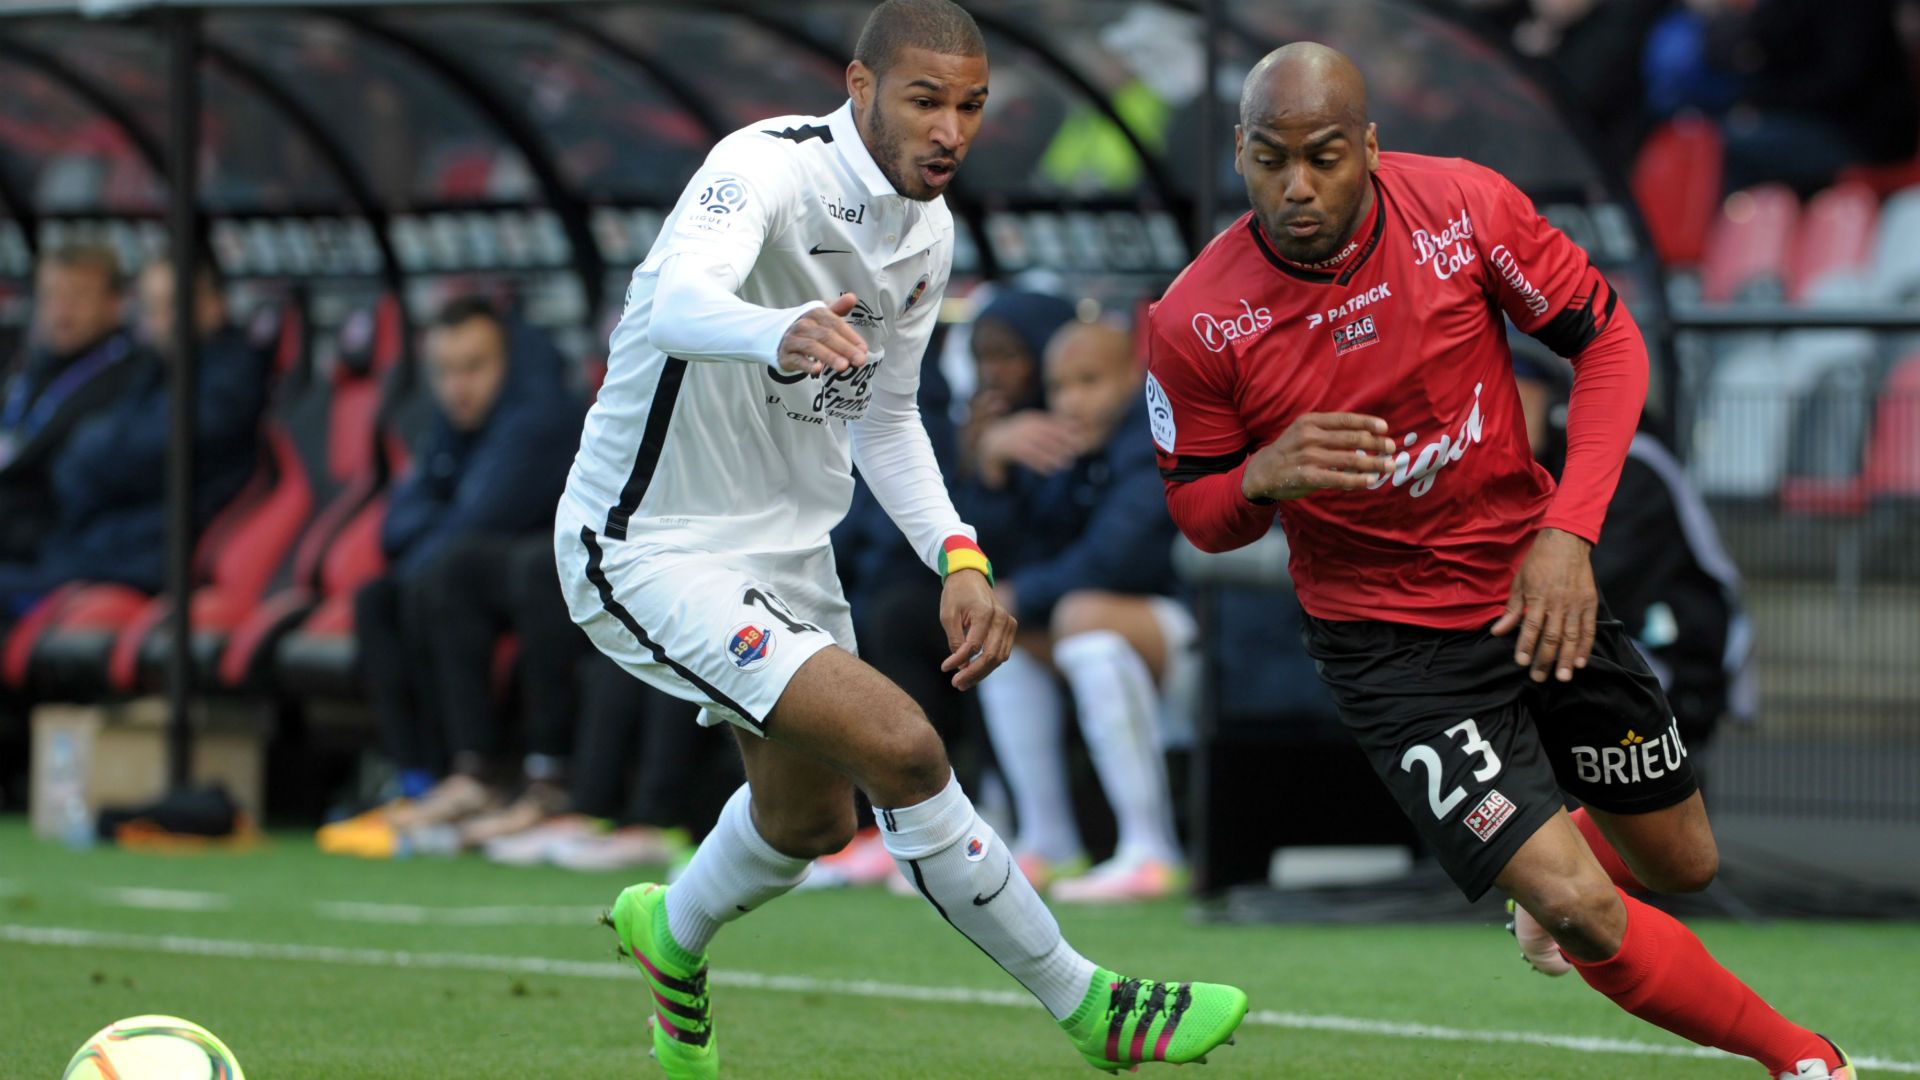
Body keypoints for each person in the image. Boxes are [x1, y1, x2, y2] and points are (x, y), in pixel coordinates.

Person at [553, 3, 1248, 1074]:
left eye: (971, 105)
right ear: (862, 88)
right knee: (904, 748)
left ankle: (669, 934)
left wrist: (958, 555)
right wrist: (773, 329)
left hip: (789, 555)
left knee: (808, 821)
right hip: (652, 541)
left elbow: (885, 415)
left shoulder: (929, 232)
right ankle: (1093, 1005)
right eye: (926, 99)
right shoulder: (764, 166)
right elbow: (680, 306)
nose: (951, 130)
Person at [1147, 43, 1851, 1080]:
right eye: (1270, 159)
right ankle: (1804, 1060)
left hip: (1536, 590)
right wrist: (1260, 477)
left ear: (1372, 148)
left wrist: (1567, 534)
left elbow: (1609, 345)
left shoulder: (1467, 211)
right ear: (1241, 158)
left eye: (1326, 156)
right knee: (1585, 904)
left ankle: (1542, 888)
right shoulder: (1196, 320)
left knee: (1684, 861)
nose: (1297, 185)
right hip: (1392, 651)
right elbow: (1201, 518)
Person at [328, 297, 582, 856]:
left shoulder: (541, 416)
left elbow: (480, 517)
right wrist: (433, 526)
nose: (457, 387)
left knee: (449, 572)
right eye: (444, 372)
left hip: (550, 578)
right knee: (379, 597)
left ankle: (494, 775)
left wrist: (432, 527)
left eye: (473, 367)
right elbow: (395, 523)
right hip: (481, 570)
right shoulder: (453, 422)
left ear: (507, 359)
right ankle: (419, 780)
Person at [965, 320, 1196, 901]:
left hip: (1194, 632)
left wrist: (1018, 595)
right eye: (1060, 385)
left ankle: (1152, 851)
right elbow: (1013, 551)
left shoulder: (1153, 437)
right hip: (1106, 627)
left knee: (1082, 622)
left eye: (1089, 381)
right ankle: (1049, 842)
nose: (1071, 400)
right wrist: (993, 464)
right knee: (1005, 640)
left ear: (1130, 377)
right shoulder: (1066, 447)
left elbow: (1116, 560)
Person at [1513, 347, 1753, 755]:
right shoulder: (1540, 469)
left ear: (1555, 403)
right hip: (1604, 671)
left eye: (1514, 392)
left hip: (1669, 672)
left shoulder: (1630, 465)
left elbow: (1589, 583)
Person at [0, 259, 267, 611]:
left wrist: (91, 455)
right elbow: (89, 457)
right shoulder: (158, 367)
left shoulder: (228, 378)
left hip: (152, 557)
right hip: (101, 545)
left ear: (214, 303)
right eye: (153, 308)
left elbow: (131, 453)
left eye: (174, 304)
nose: (164, 320)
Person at [0, 244, 139, 570]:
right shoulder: (29, 365)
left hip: (54, 545)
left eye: (78, 296)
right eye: (51, 295)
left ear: (114, 304)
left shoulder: (126, 378)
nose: (62, 310)